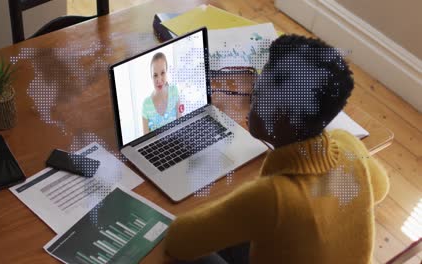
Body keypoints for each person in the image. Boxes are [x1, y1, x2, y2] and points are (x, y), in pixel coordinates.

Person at [164, 34, 389, 264]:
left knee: (172, 254)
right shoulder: (347, 143)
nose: (252, 95)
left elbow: (178, 240)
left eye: (259, 93)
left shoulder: (273, 198)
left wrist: (237, 205)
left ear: (282, 116)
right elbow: (380, 187)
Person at [142, 52, 181, 134]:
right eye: (155, 75)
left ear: (167, 72)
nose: (159, 80)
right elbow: (145, 141)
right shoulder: (146, 105)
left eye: (162, 73)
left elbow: (181, 124)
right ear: (151, 77)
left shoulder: (174, 91)